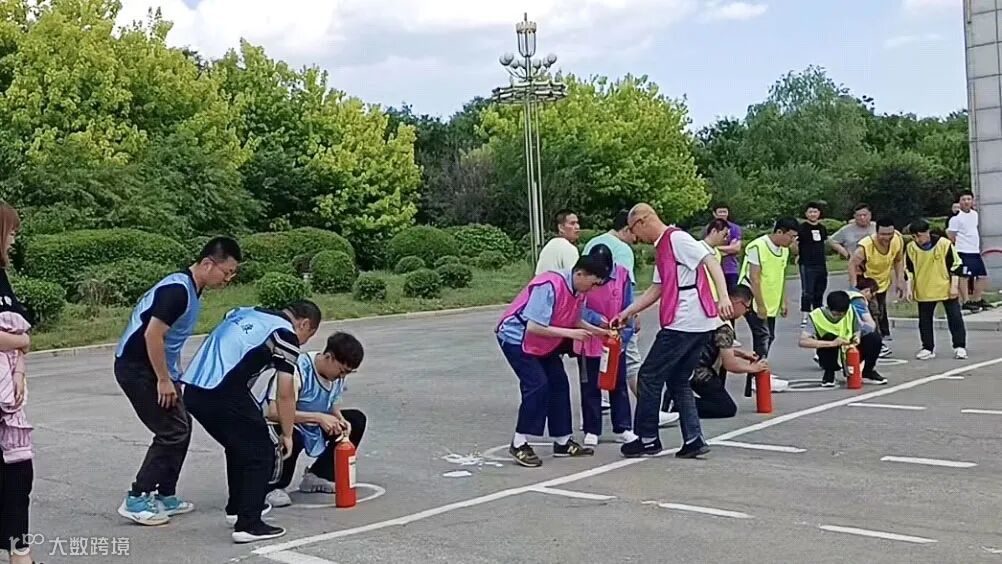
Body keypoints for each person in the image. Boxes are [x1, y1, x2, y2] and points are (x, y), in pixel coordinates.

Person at [115, 236, 241, 526]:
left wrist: (174, 376)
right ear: (208, 264)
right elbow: (153, 335)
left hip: (156, 368)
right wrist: (163, 380)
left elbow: (171, 341)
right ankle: (137, 497)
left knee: (182, 426)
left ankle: (165, 494)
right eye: (227, 272)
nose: (228, 279)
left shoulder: (192, 289)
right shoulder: (177, 291)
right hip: (137, 368)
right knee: (172, 430)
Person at [182, 301, 321, 543]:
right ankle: (249, 524)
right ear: (305, 324)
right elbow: (285, 392)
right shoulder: (285, 335)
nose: (303, 343)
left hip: (194, 390)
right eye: (308, 336)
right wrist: (288, 433)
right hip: (222, 393)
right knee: (262, 451)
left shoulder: (247, 312)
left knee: (239, 446)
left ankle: (237, 509)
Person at [614, 203, 732, 459]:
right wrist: (629, 311)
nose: (636, 237)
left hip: (684, 322)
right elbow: (657, 288)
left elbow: (710, 260)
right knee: (679, 380)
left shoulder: (677, 239)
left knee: (649, 376)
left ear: (643, 221)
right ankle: (693, 439)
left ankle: (647, 438)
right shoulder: (663, 247)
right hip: (696, 323)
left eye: (634, 229)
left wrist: (723, 296)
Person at [497, 254, 612, 468]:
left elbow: (575, 319)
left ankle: (562, 440)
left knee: (559, 384)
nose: (594, 289)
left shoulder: (579, 291)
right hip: (517, 338)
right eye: (594, 283)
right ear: (580, 274)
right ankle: (519, 442)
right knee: (537, 385)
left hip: (544, 342)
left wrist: (599, 332)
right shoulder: (549, 284)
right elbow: (533, 326)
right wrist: (571, 334)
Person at [257, 332, 367, 507]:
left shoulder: (336, 376)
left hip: (312, 423)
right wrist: (318, 418)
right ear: (329, 357)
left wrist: (339, 419)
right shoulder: (298, 369)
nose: (342, 376)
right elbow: (273, 412)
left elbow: (331, 402)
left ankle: (318, 475)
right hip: (280, 422)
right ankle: (273, 487)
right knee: (291, 434)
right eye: (341, 371)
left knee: (356, 421)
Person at [574, 244, 638, 447]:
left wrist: (624, 335)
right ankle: (592, 429)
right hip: (589, 338)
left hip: (615, 338)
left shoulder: (622, 275)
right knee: (590, 385)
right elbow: (577, 308)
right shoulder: (583, 278)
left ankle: (623, 427)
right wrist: (596, 320)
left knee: (618, 383)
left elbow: (629, 305)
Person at [0, 204, 35, 564]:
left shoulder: (2, 277)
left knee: (19, 472)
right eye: (11, 232)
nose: (13, 239)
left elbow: (20, 328)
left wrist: (20, 370)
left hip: (8, 395)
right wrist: (20, 341)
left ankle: (20, 551)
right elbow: (19, 336)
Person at [685, 284, 768, 419]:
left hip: (682, 364)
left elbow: (713, 345)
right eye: (746, 308)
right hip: (698, 371)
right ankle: (680, 405)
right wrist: (753, 368)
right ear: (737, 302)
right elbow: (730, 365)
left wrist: (742, 353)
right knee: (726, 408)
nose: (745, 312)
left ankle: (678, 397)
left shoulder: (709, 311)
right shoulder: (724, 327)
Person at [906, 219, 968, 360]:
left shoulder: (944, 244)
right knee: (924, 320)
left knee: (955, 317)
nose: (917, 239)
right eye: (914, 236)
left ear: (927, 232)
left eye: (919, 235)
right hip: (924, 288)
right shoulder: (911, 248)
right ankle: (927, 348)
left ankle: (959, 346)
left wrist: (954, 286)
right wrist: (909, 288)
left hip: (945, 287)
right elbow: (909, 270)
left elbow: (956, 265)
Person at [739, 217, 798, 360]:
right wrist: (760, 306)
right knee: (763, 336)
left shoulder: (784, 250)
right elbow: (754, 278)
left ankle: (759, 367)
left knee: (769, 336)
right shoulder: (757, 247)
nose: (792, 241)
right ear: (779, 232)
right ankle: (758, 370)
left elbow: (781, 276)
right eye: (791, 236)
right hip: (752, 299)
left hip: (770, 301)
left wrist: (783, 301)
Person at [799, 291, 885, 387]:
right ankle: (829, 373)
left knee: (874, 338)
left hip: (849, 349)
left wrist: (856, 337)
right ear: (829, 308)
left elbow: (857, 329)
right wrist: (833, 343)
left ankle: (867, 371)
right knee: (829, 337)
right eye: (836, 314)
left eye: (842, 314)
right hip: (831, 351)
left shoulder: (850, 311)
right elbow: (803, 341)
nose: (839, 317)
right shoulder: (816, 316)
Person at [849, 217, 905, 354]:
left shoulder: (897, 240)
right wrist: (855, 288)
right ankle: (877, 344)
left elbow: (898, 260)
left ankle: (868, 342)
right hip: (866, 283)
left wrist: (900, 280)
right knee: (871, 314)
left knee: (879, 313)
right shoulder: (865, 246)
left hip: (882, 283)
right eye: (883, 234)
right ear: (877, 232)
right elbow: (852, 264)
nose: (887, 238)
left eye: (890, 234)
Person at [948, 190, 992, 312]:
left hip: (974, 250)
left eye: (969, 199)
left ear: (972, 201)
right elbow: (951, 235)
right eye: (963, 199)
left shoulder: (974, 214)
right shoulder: (956, 218)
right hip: (962, 250)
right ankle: (966, 301)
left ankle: (977, 299)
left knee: (982, 275)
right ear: (959, 202)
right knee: (964, 276)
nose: (966, 202)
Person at [797, 202, 830, 327]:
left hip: (821, 263)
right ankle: (805, 315)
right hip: (807, 263)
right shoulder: (802, 228)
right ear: (806, 214)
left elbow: (827, 242)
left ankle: (818, 314)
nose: (813, 214)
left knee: (820, 289)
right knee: (807, 291)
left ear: (819, 213)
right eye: (810, 212)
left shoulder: (822, 228)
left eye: (815, 212)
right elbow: (795, 244)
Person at [534, 209, 581, 275]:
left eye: (577, 223)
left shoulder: (550, 245)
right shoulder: (567, 248)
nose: (577, 227)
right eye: (572, 223)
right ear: (561, 228)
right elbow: (575, 277)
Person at [711, 203, 743, 289]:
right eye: (720, 212)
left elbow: (736, 248)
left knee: (733, 294)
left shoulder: (735, 228)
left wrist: (715, 248)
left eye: (724, 212)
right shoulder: (709, 229)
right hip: (713, 268)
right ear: (714, 214)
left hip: (731, 269)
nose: (722, 214)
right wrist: (728, 249)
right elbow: (705, 248)